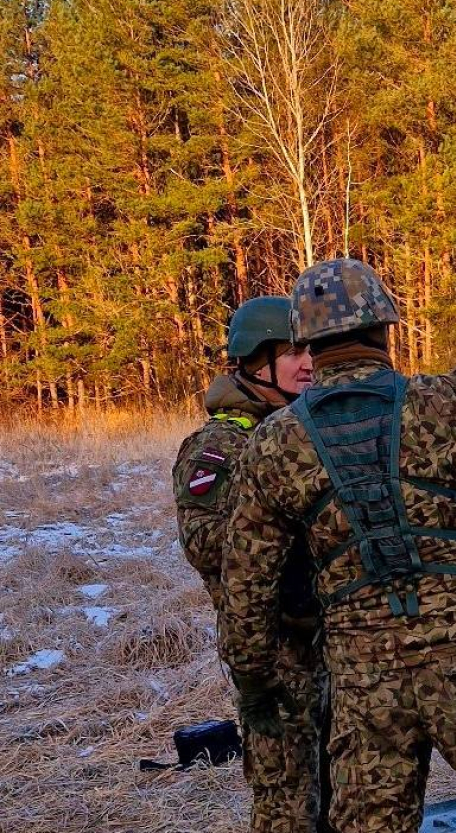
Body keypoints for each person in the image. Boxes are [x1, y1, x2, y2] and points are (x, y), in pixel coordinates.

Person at [219, 258, 456, 833]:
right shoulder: (443, 406)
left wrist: (257, 688)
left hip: (366, 687)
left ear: (307, 340)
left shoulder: (275, 446)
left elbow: (244, 591)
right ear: (383, 328)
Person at [172, 295, 332, 833]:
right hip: (275, 661)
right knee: (288, 804)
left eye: (310, 349)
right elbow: (205, 545)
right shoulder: (221, 446)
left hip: (333, 649)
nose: (308, 363)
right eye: (291, 353)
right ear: (252, 362)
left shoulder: (303, 434)